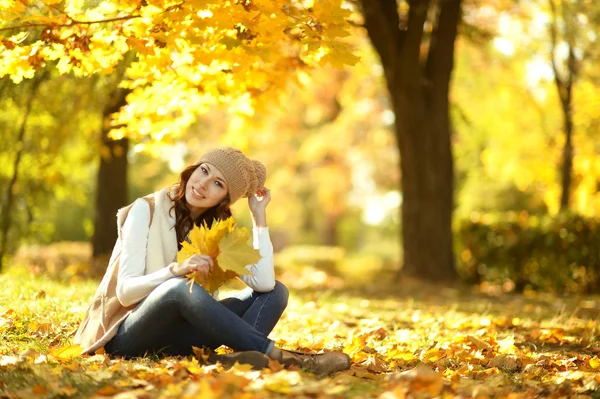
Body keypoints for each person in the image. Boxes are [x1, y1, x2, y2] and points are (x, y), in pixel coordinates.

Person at [74, 147, 350, 374]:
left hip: (180, 338)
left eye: (218, 184)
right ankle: (287, 359)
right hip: (127, 334)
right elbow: (125, 292)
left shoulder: (219, 231)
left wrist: (258, 217)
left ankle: (238, 359)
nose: (203, 185)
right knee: (180, 288)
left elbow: (264, 284)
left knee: (277, 291)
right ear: (193, 169)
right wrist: (175, 270)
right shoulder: (145, 210)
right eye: (204, 171)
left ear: (224, 199)